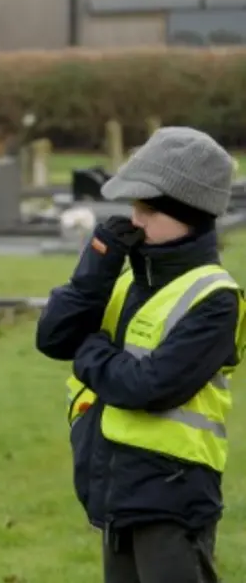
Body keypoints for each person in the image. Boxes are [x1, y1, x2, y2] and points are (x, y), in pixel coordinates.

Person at [35, 126, 245, 583]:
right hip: (116, 488)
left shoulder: (215, 298)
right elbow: (52, 338)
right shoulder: (127, 278)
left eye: (148, 209)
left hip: (173, 498)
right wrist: (94, 270)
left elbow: (148, 386)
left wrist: (88, 347)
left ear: (187, 213)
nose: (134, 220)